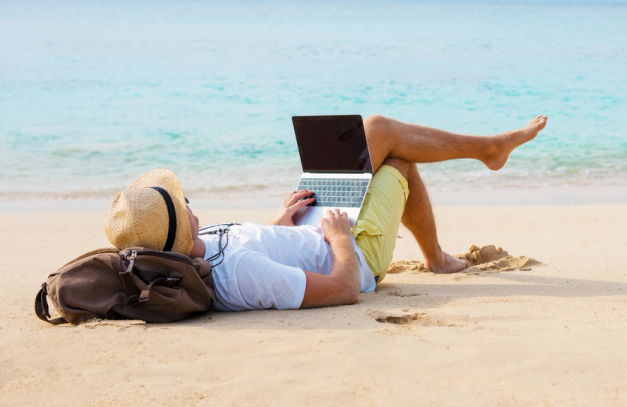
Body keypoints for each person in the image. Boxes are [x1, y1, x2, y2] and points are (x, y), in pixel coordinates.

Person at [104, 114, 548, 310]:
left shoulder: (200, 247)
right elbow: (344, 290)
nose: (188, 202)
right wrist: (338, 238)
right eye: (182, 204)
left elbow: (249, 246)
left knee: (376, 136)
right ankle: (488, 152)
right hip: (357, 253)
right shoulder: (241, 274)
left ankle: (483, 160)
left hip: (313, 228)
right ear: (179, 228)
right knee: (394, 155)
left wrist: (277, 224)